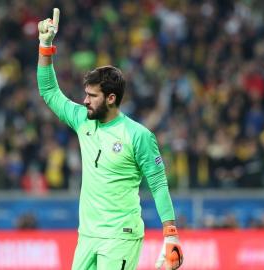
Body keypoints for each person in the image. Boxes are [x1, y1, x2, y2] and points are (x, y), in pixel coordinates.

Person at [37, 8, 183, 270]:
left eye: (92, 96)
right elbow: (49, 91)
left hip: (120, 237)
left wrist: (170, 235)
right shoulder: (82, 120)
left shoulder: (137, 135)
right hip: (88, 236)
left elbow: (159, 184)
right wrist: (45, 45)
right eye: (86, 94)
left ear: (111, 98)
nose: (85, 100)